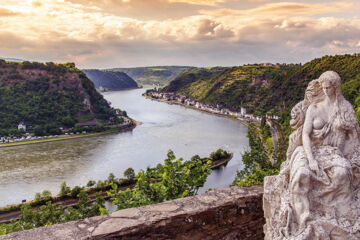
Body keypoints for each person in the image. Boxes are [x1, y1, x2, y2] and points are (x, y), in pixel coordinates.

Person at [264, 71, 360, 239]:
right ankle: (304, 220)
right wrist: (311, 159)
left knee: (342, 173)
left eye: (328, 87)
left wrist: (351, 157)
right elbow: (305, 136)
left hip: (333, 153)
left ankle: (333, 213)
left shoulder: (345, 109)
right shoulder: (314, 108)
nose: (325, 90)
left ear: (336, 88)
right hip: (309, 150)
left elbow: (354, 137)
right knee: (301, 175)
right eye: (323, 87)